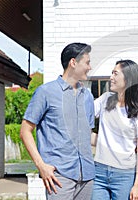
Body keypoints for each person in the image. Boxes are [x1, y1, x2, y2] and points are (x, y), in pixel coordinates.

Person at [20, 42, 95, 199]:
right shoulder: (45, 92)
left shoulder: (87, 96)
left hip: (87, 175)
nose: (90, 67)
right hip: (59, 175)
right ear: (73, 62)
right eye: (87, 62)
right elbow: (25, 131)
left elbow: (88, 134)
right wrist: (41, 166)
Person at [91, 60, 138, 200]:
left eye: (115, 73)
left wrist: (137, 185)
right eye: (111, 73)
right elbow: (81, 115)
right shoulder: (105, 100)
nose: (111, 77)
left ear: (128, 78)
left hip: (124, 175)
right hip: (99, 171)